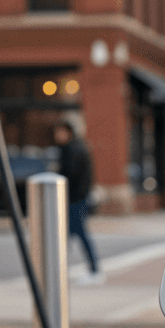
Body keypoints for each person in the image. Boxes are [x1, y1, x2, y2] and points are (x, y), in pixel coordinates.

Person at [53, 121, 102, 283]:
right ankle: (59, 270)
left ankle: (94, 270)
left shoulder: (72, 150)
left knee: (78, 233)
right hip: (78, 197)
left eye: (59, 132)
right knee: (67, 235)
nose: (56, 136)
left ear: (67, 132)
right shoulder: (77, 147)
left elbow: (71, 175)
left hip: (74, 199)